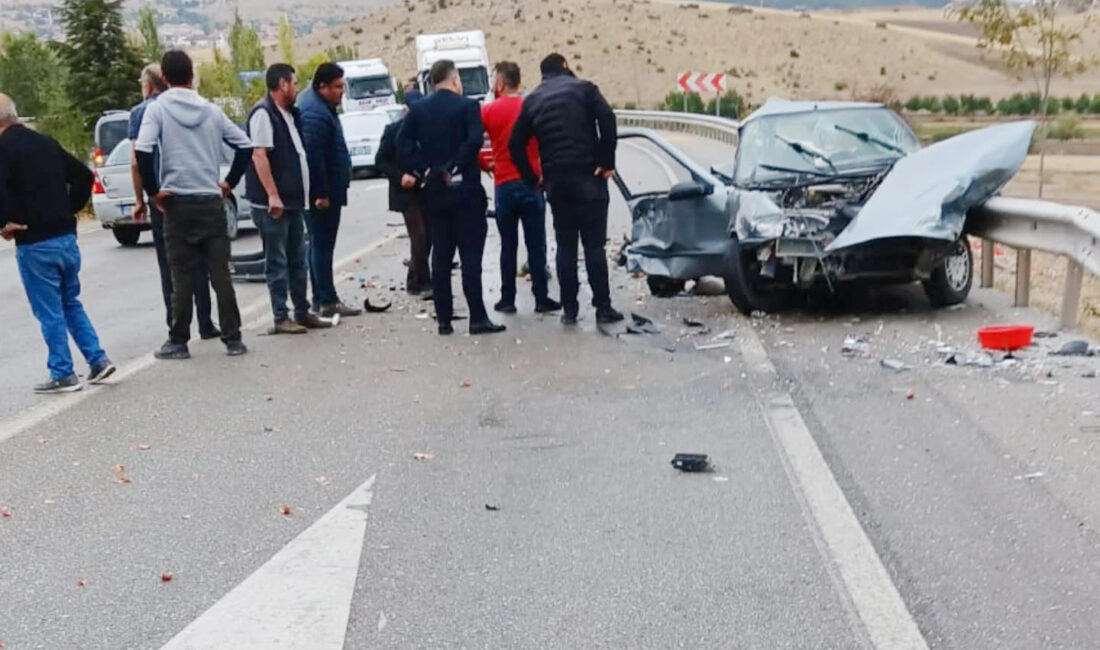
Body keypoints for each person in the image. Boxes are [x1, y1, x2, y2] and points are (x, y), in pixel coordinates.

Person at [135, 49, 252, 359]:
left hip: (177, 203)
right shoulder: (211, 111)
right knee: (220, 274)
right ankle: (234, 338)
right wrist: (229, 183)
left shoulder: (157, 109)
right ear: (191, 75)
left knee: (182, 274)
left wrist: (154, 192)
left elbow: (143, 151)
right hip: (210, 201)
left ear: (164, 75)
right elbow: (245, 145)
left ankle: (178, 340)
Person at [0, 94, 116, 393]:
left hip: (35, 241)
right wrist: (69, 209)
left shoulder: (4, 149)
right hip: (65, 236)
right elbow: (83, 175)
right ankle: (98, 359)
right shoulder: (45, 142)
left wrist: (5, 223)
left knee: (49, 309)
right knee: (70, 302)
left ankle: (62, 372)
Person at [509, 53, 624, 326]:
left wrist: (532, 179)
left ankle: (570, 310)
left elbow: (515, 144)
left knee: (566, 246)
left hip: (557, 182)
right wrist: (606, 161)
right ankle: (603, 307)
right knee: (594, 246)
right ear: (565, 67)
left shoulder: (533, 100)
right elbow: (607, 118)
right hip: (589, 176)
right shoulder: (584, 88)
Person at [396, 59, 504, 336]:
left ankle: (444, 319)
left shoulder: (419, 110)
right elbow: (475, 141)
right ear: (454, 78)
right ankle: (477, 317)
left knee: (441, 257)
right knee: (470, 257)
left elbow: (401, 143)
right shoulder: (468, 107)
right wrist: (454, 165)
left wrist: (425, 169)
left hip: (435, 194)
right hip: (466, 193)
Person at [129, 63, 220, 340]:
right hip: (196, 189)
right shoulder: (194, 106)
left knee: (171, 265)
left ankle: (177, 326)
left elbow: (136, 161)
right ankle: (206, 321)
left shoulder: (142, 112)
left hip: (163, 197)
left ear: (149, 85)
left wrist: (142, 198)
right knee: (201, 261)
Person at [246, 63, 332, 334]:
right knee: (278, 262)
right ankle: (281, 316)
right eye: (294, 83)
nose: (297, 88)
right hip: (274, 205)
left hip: (294, 202)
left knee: (297, 259)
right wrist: (272, 194)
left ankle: (302, 311)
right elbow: (259, 155)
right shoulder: (263, 114)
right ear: (282, 84)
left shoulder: (289, 114)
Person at [480, 61, 560, 315]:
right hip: (531, 183)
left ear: (500, 83)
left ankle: (507, 298)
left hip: (504, 184)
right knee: (536, 243)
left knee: (508, 245)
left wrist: (484, 163)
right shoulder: (532, 107)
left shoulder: (489, 111)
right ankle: (541, 297)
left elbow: (471, 141)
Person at [297, 62, 361, 318]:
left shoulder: (319, 106)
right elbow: (314, 158)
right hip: (321, 194)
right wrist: (320, 193)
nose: (341, 92)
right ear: (321, 86)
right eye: (336, 87)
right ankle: (326, 299)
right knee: (322, 245)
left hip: (324, 191)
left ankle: (321, 297)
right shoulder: (314, 113)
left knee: (319, 245)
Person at [376, 98, 431, 297]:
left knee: (428, 236)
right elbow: (381, 160)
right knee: (419, 235)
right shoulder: (393, 130)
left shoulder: (427, 130)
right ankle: (425, 282)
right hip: (405, 193)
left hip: (426, 189)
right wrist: (400, 177)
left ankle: (413, 280)